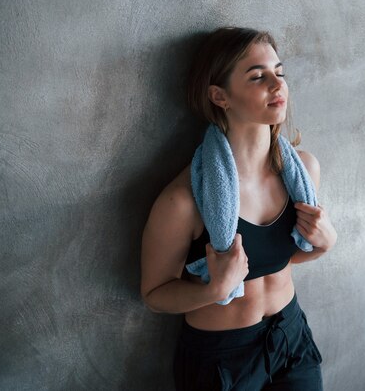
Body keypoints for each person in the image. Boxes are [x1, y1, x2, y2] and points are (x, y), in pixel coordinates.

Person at [140, 26, 338, 390]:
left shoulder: (304, 171)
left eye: (280, 73)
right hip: (222, 360)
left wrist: (325, 245)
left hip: (290, 338)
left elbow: (280, 259)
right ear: (220, 95)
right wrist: (212, 292)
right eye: (258, 76)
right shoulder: (184, 201)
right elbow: (154, 295)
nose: (278, 86)